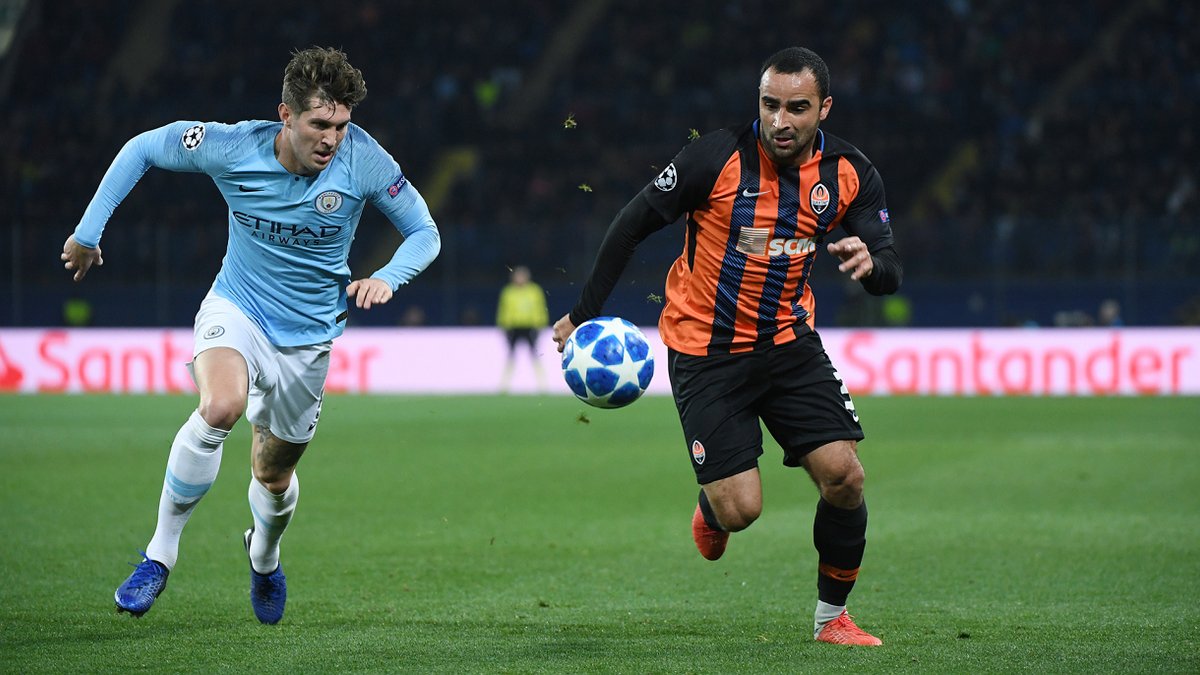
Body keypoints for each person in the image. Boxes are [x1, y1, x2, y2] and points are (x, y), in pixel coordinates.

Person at [61, 47, 440, 624]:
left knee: (273, 473)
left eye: (341, 125)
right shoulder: (234, 146)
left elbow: (424, 232)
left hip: (309, 338)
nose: (332, 139)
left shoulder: (363, 158)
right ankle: (159, 555)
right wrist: (89, 233)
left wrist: (387, 277)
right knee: (221, 406)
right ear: (286, 116)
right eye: (320, 124)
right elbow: (143, 148)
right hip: (238, 308)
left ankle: (264, 557)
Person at [552, 47, 901, 646]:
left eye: (797, 108)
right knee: (742, 510)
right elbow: (631, 224)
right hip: (705, 352)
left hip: (790, 344)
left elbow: (889, 268)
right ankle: (713, 507)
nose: (780, 121)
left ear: (824, 108)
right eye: (770, 105)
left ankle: (831, 619)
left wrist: (872, 266)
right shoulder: (713, 159)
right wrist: (583, 313)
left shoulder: (850, 173)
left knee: (845, 477)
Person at [495, 265, 549, 392]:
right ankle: (504, 385)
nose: (520, 279)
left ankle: (542, 384)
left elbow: (541, 308)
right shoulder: (508, 291)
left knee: (535, 354)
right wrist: (503, 324)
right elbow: (503, 309)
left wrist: (541, 323)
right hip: (513, 327)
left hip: (530, 326)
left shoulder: (534, 291)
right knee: (511, 355)